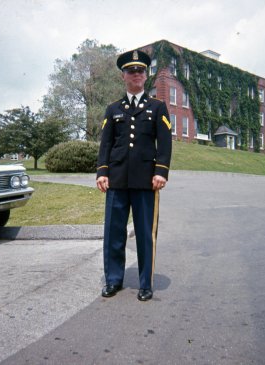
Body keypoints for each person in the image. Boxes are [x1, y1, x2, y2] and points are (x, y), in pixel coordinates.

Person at [96, 49, 172, 301]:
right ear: (123, 76)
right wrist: (102, 172)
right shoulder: (112, 109)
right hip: (116, 180)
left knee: (144, 234)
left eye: (140, 70)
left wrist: (161, 171)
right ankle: (113, 280)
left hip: (145, 181)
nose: (136, 74)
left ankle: (145, 283)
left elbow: (165, 143)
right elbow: (105, 144)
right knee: (113, 233)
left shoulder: (157, 107)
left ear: (145, 75)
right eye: (131, 71)